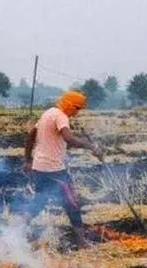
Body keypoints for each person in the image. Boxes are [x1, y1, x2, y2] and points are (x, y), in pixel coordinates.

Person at [21, 90, 105, 249]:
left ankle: (18, 229)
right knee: (72, 203)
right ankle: (82, 242)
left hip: (39, 167)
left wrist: (27, 160)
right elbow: (68, 138)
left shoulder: (48, 113)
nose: (77, 112)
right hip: (54, 169)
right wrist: (91, 147)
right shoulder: (61, 116)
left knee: (40, 200)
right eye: (77, 108)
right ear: (69, 105)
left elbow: (31, 136)